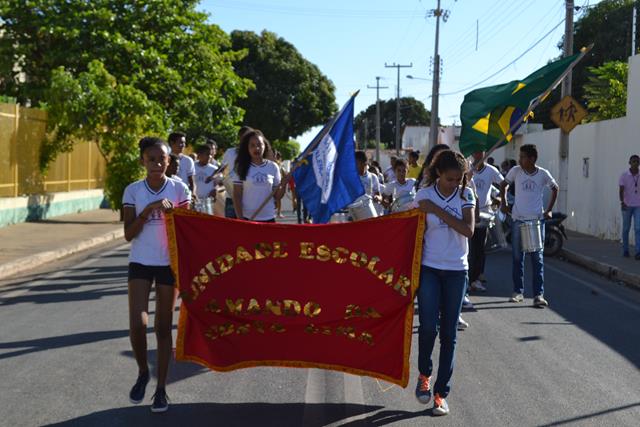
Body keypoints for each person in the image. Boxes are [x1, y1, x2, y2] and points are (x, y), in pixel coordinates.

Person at [122, 137, 191, 413]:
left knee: (163, 328)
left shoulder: (179, 188)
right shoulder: (133, 191)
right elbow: (128, 234)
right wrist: (149, 209)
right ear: (142, 161)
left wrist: (176, 214)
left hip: (168, 264)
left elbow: (188, 231)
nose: (156, 163)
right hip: (140, 261)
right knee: (137, 324)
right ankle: (142, 372)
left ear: (169, 161)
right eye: (150, 159)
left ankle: (160, 389)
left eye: (161, 159)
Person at [413, 150, 475, 416]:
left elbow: (468, 229)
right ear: (438, 173)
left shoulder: (466, 195)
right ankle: (424, 375)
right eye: (450, 179)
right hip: (429, 268)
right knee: (428, 327)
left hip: (456, 270)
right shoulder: (423, 195)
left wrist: (437, 210)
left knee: (449, 335)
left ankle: (440, 394)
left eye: (459, 179)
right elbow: (412, 232)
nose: (455, 184)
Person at [500, 144, 558, 307]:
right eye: (520, 156)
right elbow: (504, 185)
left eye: (523, 156)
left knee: (537, 259)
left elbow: (555, 188)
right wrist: (504, 203)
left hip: (536, 221)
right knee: (518, 258)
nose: (520, 159)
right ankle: (518, 291)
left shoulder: (543, 174)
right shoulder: (516, 171)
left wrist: (549, 210)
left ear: (532, 159)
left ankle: (538, 295)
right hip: (518, 220)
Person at [468, 151, 504, 292]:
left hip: (483, 214)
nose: (478, 155)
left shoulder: (491, 170)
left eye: (481, 153)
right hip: (467, 213)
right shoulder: (467, 169)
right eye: (476, 152)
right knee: (467, 250)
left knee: (479, 248)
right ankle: (468, 277)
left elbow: (504, 183)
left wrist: (501, 198)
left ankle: (476, 278)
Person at [232, 130, 286, 222]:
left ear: (264, 146)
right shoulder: (240, 167)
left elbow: (277, 196)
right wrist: (240, 219)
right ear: (247, 148)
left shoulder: (273, 167)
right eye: (252, 145)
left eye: (259, 145)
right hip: (248, 218)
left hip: (269, 218)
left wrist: (284, 184)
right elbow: (237, 195)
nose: (256, 148)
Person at [222, 126, 253, 218]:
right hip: (231, 196)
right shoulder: (230, 152)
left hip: (249, 198)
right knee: (232, 227)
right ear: (239, 138)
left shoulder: (254, 154)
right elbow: (223, 170)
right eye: (244, 137)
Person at [619, 154, 640, 258]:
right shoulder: (624, 175)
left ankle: (638, 252)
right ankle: (625, 250)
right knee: (626, 228)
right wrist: (622, 202)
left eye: (637, 161)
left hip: (638, 206)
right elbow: (621, 190)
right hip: (627, 205)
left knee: (638, 228)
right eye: (634, 161)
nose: (636, 163)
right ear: (630, 163)